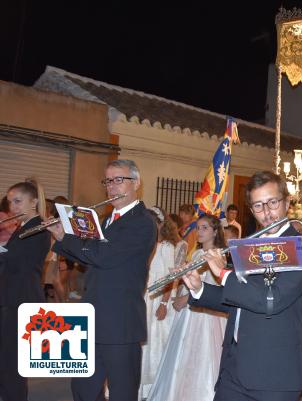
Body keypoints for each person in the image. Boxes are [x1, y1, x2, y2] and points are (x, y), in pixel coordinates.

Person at [182, 170, 302, 401]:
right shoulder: (248, 247)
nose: (267, 213)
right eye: (258, 206)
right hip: (234, 367)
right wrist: (199, 288)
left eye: (273, 202)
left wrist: (222, 272)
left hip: (274, 374)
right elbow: (241, 301)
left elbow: (271, 300)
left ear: (287, 202)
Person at [47, 159, 156, 401]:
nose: (112, 187)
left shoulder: (142, 222)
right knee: (83, 390)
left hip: (120, 324)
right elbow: (91, 261)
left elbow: (102, 255)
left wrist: (67, 237)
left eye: (119, 180)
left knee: (122, 393)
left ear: (136, 183)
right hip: (92, 318)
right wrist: (60, 236)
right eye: (108, 181)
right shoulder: (106, 220)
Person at [148, 214, 227, 401]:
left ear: (215, 231)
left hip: (205, 313)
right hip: (189, 310)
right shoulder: (198, 253)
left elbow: (216, 287)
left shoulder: (217, 255)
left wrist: (185, 299)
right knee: (184, 355)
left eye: (205, 228)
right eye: (198, 227)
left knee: (203, 355)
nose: (199, 231)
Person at [0, 180, 51, 401]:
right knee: (6, 354)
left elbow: (20, 261)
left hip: (21, 298)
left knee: (13, 359)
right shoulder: (23, 227)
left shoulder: (38, 228)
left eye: (18, 201)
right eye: (11, 202)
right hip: (11, 295)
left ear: (34, 202)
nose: (13, 208)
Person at [138, 207, 181, 400]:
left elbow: (170, 278)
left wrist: (164, 304)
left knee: (153, 341)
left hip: (156, 297)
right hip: (141, 293)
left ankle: (150, 388)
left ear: (161, 224)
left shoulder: (166, 247)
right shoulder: (145, 243)